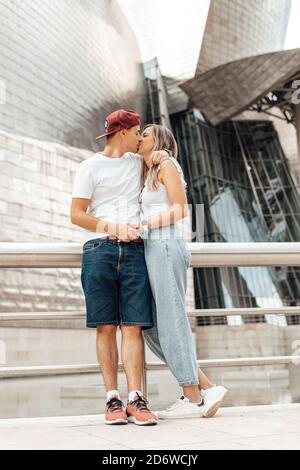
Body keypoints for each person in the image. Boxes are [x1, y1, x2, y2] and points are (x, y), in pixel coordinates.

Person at [70, 109, 169, 426]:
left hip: (136, 251)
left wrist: (162, 153)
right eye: (137, 131)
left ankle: (136, 399)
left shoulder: (138, 161)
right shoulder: (90, 167)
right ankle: (112, 399)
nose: (140, 137)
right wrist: (112, 226)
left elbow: (163, 162)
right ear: (123, 132)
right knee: (105, 327)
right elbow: (77, 214)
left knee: (133, 326)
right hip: (99, 249)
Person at [137, 124, 228, 419]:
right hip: (151, 248)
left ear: (161, 142)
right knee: (150, 325)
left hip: (164, 243)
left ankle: (192, 395)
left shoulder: (167, 164)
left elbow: (180, 209)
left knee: (171, 317)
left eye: (146, 135)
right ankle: (205, 387)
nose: (140, 139)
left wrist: (144, 226)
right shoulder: (148, 169)